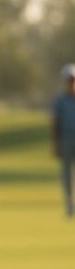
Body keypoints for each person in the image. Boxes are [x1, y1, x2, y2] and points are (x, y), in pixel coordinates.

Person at [53, 63, 75, 218]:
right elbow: (55, 123)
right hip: (66, 138)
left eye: (72, 80)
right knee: (67, 173)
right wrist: (55, 143)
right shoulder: (60, 101)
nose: (71, 83)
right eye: (69, 80)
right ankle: (69, 204)